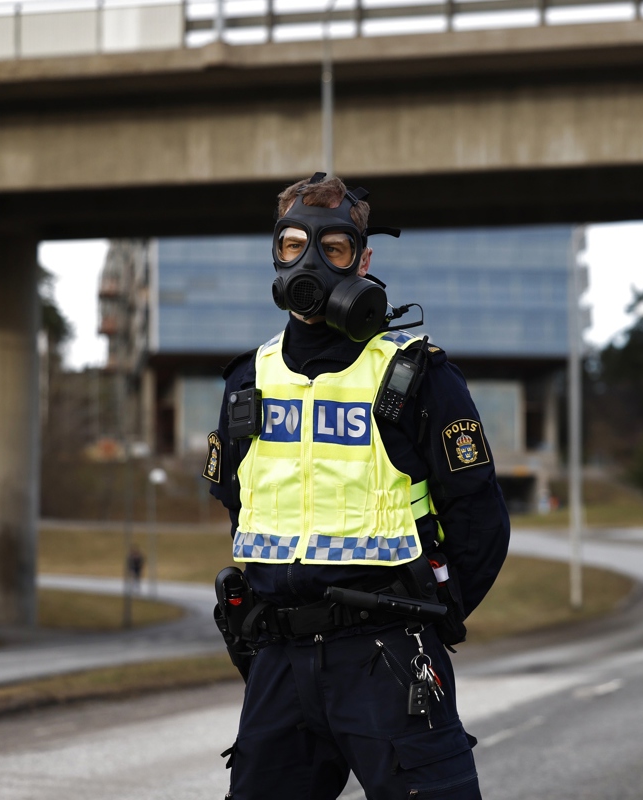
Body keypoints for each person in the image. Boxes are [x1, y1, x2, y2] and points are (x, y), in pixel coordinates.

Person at [205, 173, 511, 800]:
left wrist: (430, 619)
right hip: (278, 664)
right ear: (276, 251)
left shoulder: (417, 378)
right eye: (293, 244)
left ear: (362, 260)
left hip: (387, 658)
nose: (310, 261)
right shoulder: (247, 383)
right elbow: (241, 512)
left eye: (334, 248)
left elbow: (481, 525)